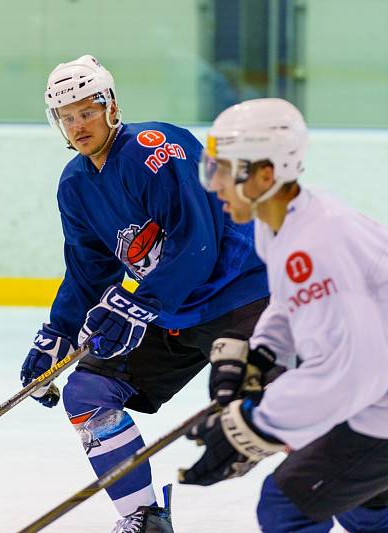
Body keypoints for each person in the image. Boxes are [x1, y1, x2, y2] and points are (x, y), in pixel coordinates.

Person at [179, 98, 388, 533]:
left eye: (226, 170)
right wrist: (261, 355)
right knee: (362, 508)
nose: (216, 185)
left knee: (290, 506)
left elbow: (354, 373)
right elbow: (286, 301)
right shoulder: (281, 220)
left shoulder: (318, 245)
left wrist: (255, 423)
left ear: (265, 173)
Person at [18, 55, 269, 532]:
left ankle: (372, 513)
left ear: (111, 105)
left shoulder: (154, 147)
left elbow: (196, 243)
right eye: (67, 117)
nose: (78, 124)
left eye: (87, 110)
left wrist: (140, 302)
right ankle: (144, 517)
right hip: (172, 306)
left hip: (241, 296)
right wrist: (60, 331)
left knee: (286, 413)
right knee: (89, 390)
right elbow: (89, 270)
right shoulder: (75, 184)